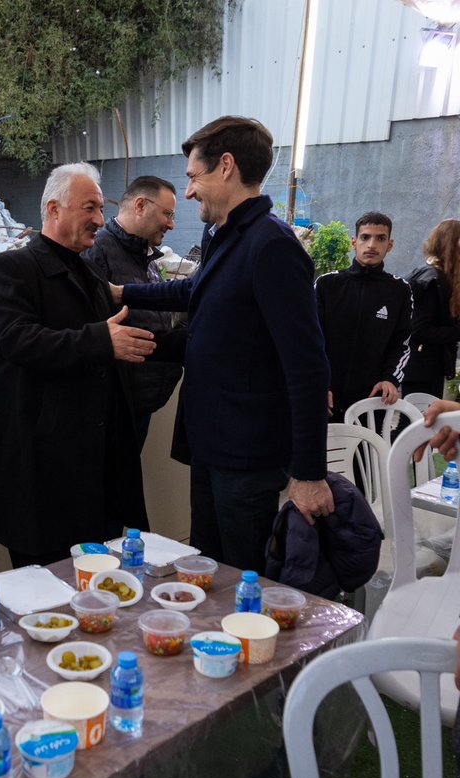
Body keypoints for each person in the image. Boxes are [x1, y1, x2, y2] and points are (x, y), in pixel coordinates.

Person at [111, 116, 332, 572]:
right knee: (210, 572)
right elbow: (196, 295)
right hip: (211, 447)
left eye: (193, 177)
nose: (188, 192)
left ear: (226, 166)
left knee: (244, 582)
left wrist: (309, 474)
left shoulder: (272, 246)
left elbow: (307, 367)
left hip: (248, 458)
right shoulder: (225, 236)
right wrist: (122, 293)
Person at [0, 162, 158, 568]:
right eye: (90, 208)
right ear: (54, 209)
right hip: (43, 475)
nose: (100, 219)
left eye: (100, 209)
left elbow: (121, 338)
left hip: (97, 473)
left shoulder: (91, 273)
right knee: (46, 603)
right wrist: (100, 340)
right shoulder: (12, 269)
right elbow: (17, 339)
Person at [82, 175, 186, 450]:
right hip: (112, 407)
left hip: (139, 402)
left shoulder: (145, 256)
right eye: (168, 213)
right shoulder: (97, 252)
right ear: (140, 204)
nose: (172, 224)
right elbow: (92, 332)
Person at [314, 211, 412, 422]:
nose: (371, 245)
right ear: (354, 242)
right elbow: (310, 339)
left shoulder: (400, 290)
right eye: (365, 237)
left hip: (371, 401)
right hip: (323, 396)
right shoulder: (327, 285)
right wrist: (316, 381)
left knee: (365, 455)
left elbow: (402, 343)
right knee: (319, 454)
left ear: (390, 245)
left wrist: (390, 379)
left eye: (380, 238)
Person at [403, 219, 460, 399]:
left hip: (425, 365)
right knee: (417, 423)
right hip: (421, 368)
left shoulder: (434, 275)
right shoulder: (432, 279)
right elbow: (420, 330)